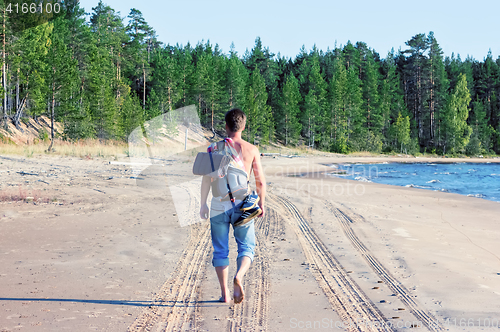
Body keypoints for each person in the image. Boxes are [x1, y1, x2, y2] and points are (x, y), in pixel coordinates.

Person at [199, 108, 266, 304]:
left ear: (226, 126)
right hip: (242, 205)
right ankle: (239, 275)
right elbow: (260, 181)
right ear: (243, 126)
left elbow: (206, 180)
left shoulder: (213, 149)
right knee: (246, 246)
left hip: (219, 204)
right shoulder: (251, 150)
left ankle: (225, 294)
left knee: (220, 250)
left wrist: (203, 204)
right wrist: (262, 203)